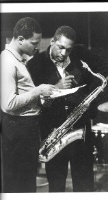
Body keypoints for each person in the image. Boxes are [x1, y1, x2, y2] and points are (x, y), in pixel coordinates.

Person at [27, 26, 107, 192]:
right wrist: (56, 88)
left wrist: (88, 102)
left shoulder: (81, 55)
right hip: (53, 132)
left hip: (80, 131)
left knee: (85, 185)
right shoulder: (35, 64)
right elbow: (32, 101)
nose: (64, 54)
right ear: (52, 41)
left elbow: (102, 73)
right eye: (60, 47)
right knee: (56, 187)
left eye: (68, 50)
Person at [1, 17, 57, 193]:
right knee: (20, 185)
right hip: (19, 131)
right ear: (19, 39)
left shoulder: (18, 59)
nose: (37, 47)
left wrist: (40, 99)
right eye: (34, 43)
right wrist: (38, 91)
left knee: (27, 184)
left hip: (25, 130)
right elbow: (8, 104)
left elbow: (22, 95)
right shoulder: (7, 61)